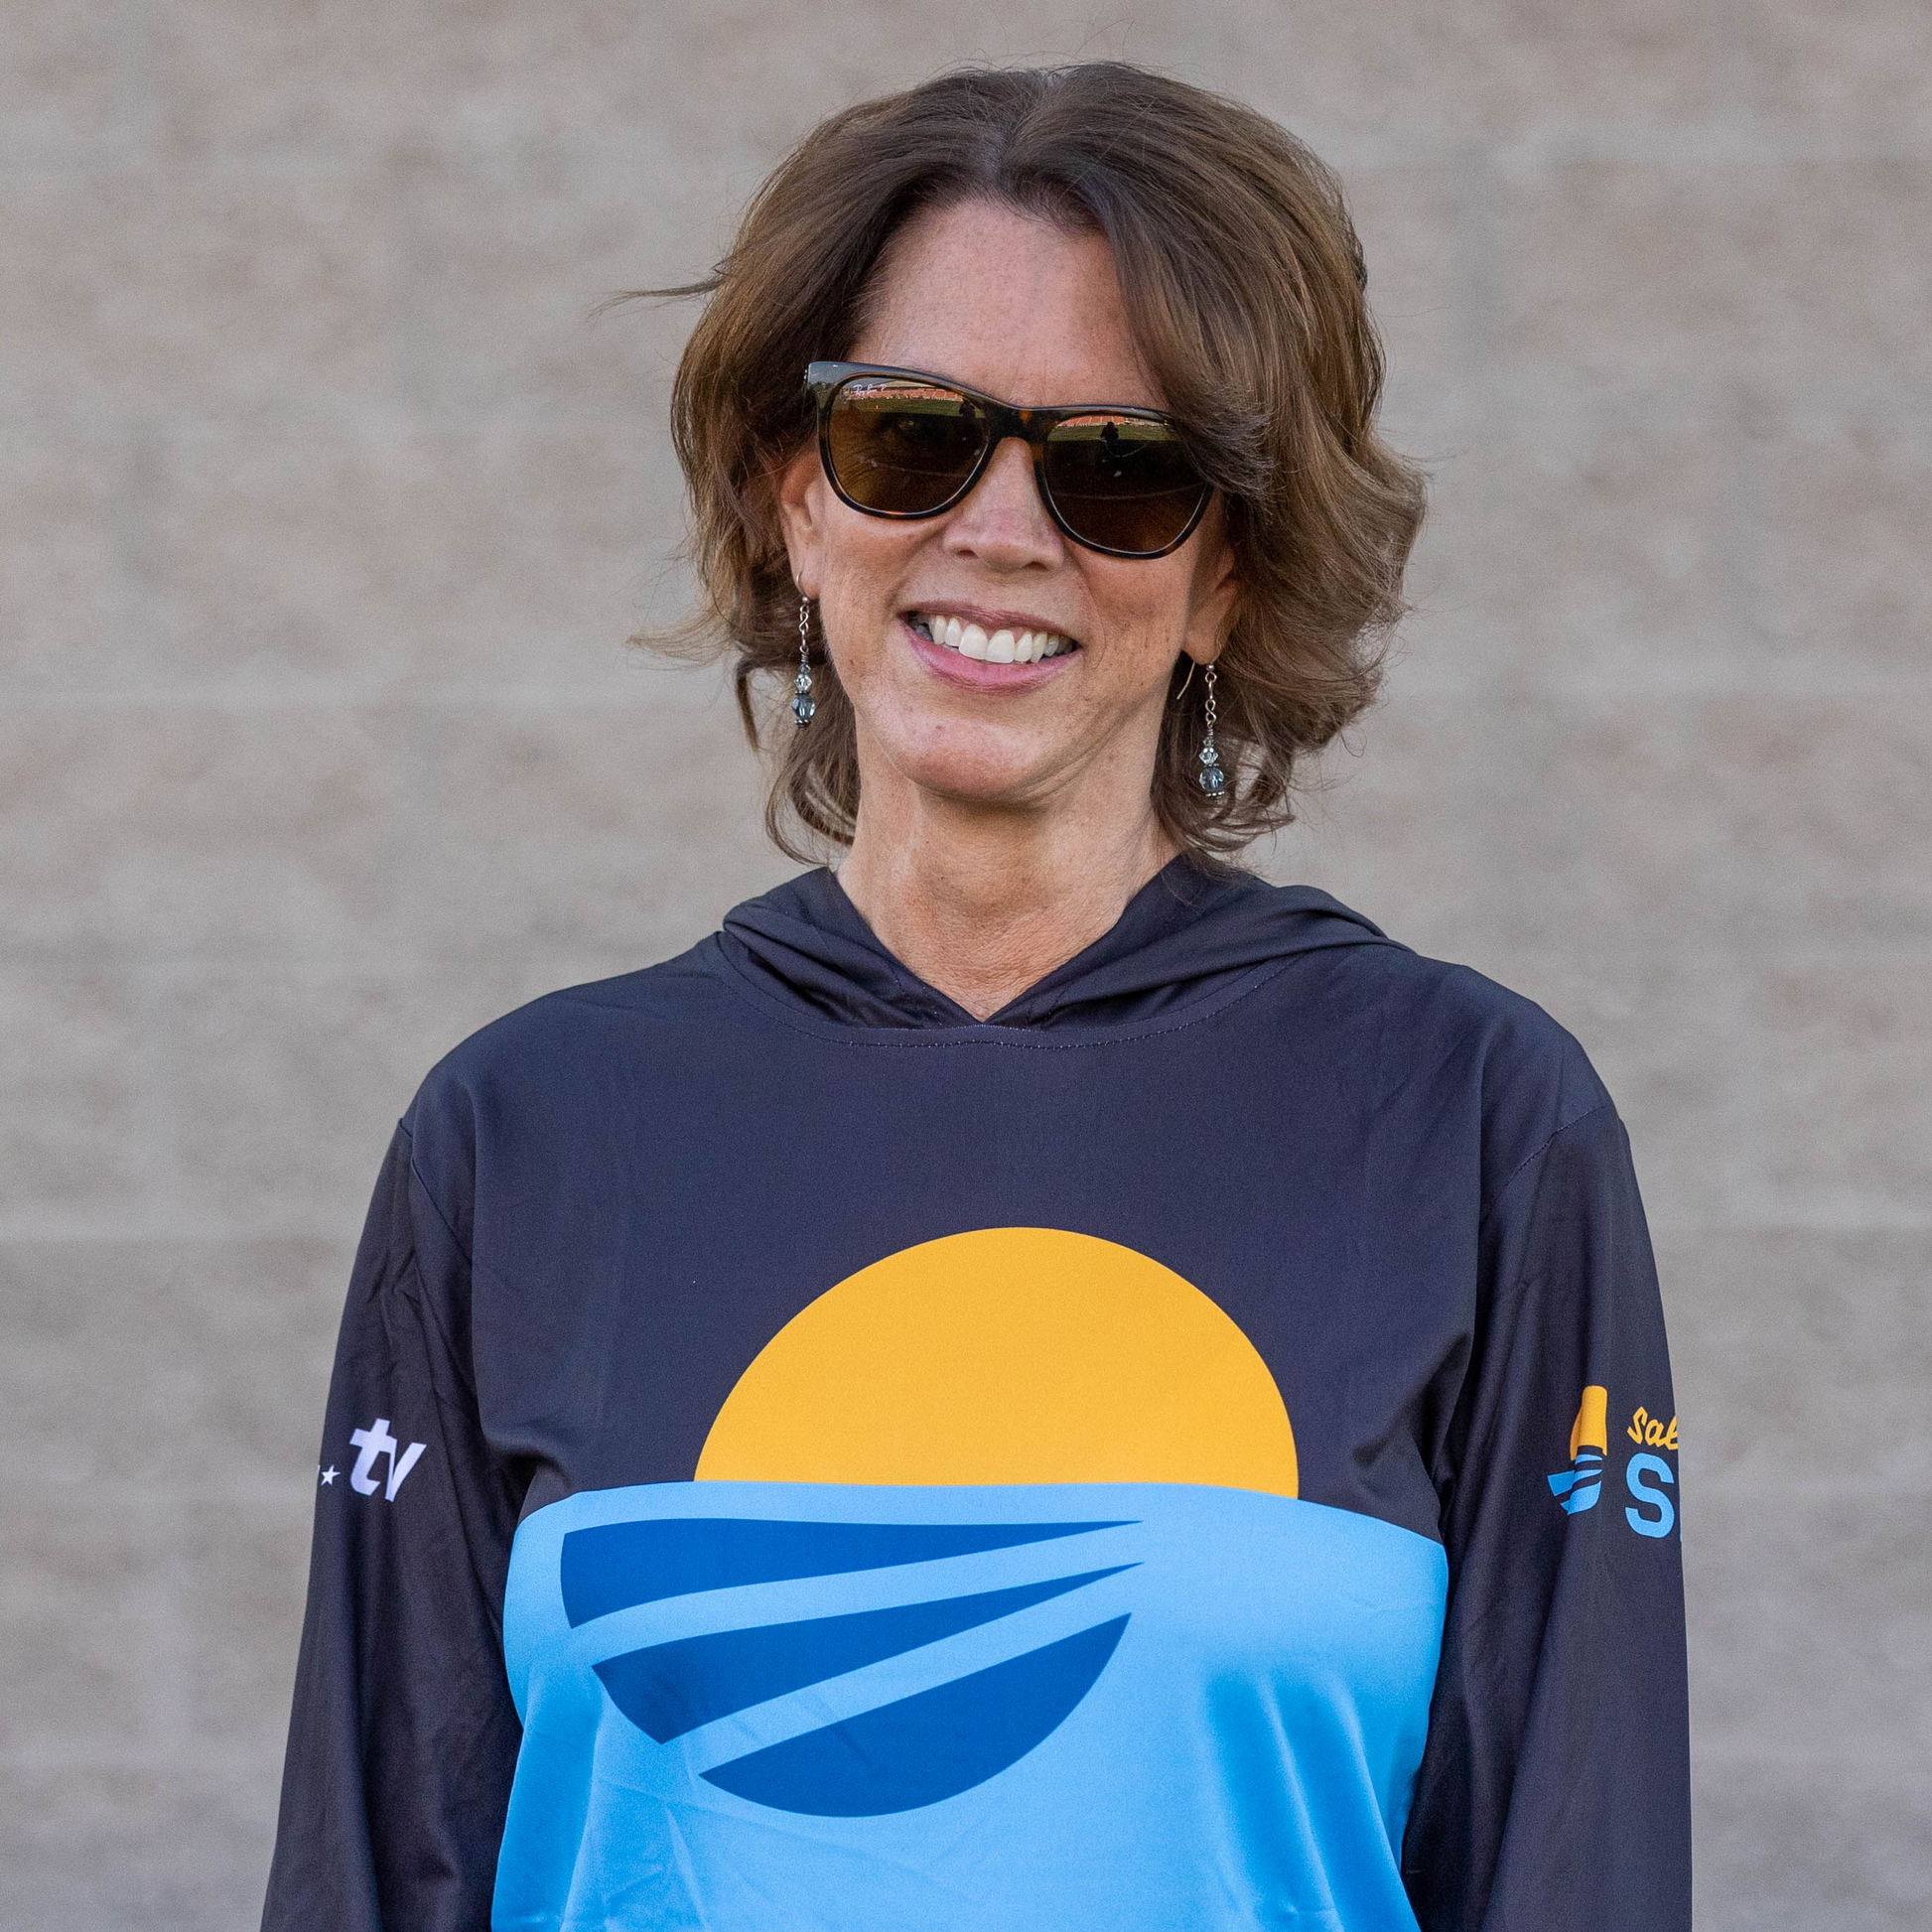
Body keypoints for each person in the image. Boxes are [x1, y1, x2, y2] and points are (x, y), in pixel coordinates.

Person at [262, 62, 1689, 1932]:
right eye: (910, 436)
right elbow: (376, 1866)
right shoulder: (520, 1133)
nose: (1001, 530)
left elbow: (1577, 1870)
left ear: (1227, 576)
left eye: (1121, 469)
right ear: (795, 501)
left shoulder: (1470, 1116)